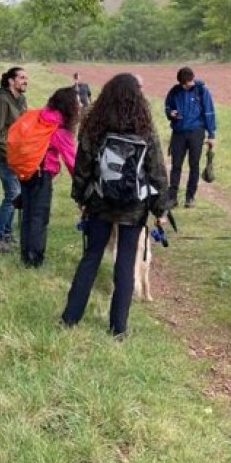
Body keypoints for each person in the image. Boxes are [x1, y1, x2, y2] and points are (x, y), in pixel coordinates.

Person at [61, 73, 170, 338]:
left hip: (100, 203)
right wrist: (161, 209)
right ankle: (118, 328)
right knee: (125, 263)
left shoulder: (94, 125)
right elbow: (156, 170)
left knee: (91, 258)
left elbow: (83, 166)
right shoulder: (144, 128)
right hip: (133, 208)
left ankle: (70, 318)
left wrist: (82, 199)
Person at [17, 87, 79, 268]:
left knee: (28, 214)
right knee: (39, 216)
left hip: (26, 170)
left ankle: (25, 255)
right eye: (77, 102)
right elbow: (72, 162)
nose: (79, 105)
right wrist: (83, 184)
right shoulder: (58, 128)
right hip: (41, 174)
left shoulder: (41, 117)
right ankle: (35, 259)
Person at [163, 66, 217, 208]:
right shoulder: (174, 91)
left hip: (196, 133)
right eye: (185, 83)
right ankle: (172, 198)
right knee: (176, 166)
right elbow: (167, 107)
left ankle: (190, 197)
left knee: (194, 165)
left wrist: (211, 134)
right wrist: (171, 114)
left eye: (189, 82)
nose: (188, 84)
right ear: (180, 82)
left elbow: (209, 112)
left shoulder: (202, 90)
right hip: (178, 133)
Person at [0, 67, 28, 253]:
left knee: (16, 195)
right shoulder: (1, 101)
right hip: (8, 158)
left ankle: (7, 234)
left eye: (26, 77)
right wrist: (10, 153)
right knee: (12, 195)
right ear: (11, 81)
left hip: (20, 158)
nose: (25, 80)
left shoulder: (21, 101)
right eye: (22, 77)